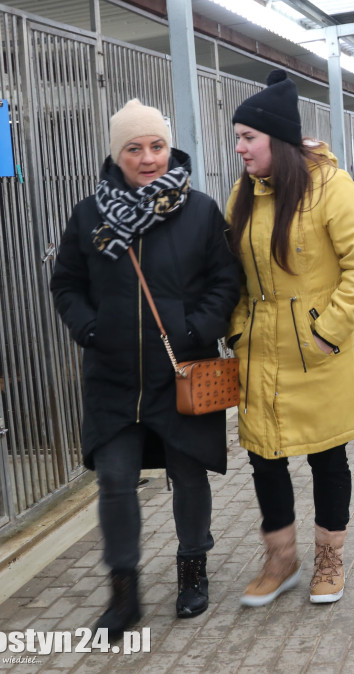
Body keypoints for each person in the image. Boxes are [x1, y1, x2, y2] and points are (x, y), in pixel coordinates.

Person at [51, 99, 240, 638]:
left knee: (187, 474)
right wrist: (89, 328)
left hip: (178, 371)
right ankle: (124, 590)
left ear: (169, 147)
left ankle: (192, 571)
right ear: (118, 154)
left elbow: (226, 281)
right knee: (114, 481)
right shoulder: (90, 214)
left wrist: (193, 329)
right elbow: (66, 281)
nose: (148, 158)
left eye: (156, 146)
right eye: (135, 148)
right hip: (112, 375)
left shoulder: (199, 210)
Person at [226, 70, 354, 606]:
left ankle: (330, 558)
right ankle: (281, 558)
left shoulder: (330, 187)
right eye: (238, 137)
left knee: (326, 456)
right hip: (259, 347)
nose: (240, 148)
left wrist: (326, 334)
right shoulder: (243, 194)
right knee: (264, 456)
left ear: (276, 139)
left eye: (249, 137)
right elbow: (231, 271)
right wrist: (235, 326)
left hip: (317, 351)